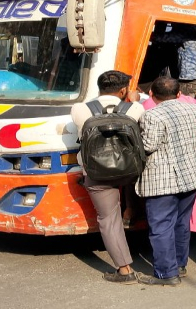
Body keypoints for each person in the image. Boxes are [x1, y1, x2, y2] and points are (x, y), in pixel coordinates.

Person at [134, 77, 196, 286]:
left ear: (151, 94)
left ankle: (166, 273)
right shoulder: (195, 110)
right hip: (191, 175)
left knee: (161, 226)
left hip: (163, 179)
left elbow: (149, 145)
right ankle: (179, 265)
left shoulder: (151, 115)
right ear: (179, 94)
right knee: (181, 222)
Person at [70, 70, 144, 284]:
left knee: (109, 219)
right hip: (130, 171)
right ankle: (132, 214)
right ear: (123, 90)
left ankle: (125, 270)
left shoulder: (80, 109)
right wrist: (133, 99)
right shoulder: (135, 108)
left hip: (97, 172)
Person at [142, 90, 196, 248]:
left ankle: (168, 260)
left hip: (166, 161)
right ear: (178, 93)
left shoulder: (149, 104)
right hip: (194, 148)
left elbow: (148, 142)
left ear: (151, 92)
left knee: (165, 212)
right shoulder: (192, 104)